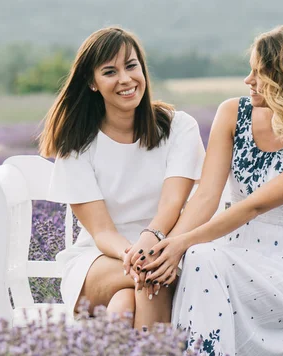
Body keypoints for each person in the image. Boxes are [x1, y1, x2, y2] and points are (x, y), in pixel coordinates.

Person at [141, 25, 283, 356]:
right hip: (231, 250)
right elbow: (206, 196)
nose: (248, 80)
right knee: (200, 259)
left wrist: (181, 245)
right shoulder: (232, 113)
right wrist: (167, 247)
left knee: (201, 258)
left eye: (260, 74)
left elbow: (255, 204)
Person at [40, 26, 205, 330]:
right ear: (92, 82)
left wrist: (150, 242)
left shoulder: (178, 128)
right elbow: (101, 232)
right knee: (149, 275)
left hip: (164, 252)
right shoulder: (76, 144)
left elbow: (172, 203)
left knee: (123, 305)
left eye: (131, 66)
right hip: (98, 261)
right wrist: (135, 255)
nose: (126, 79)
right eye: (110, 72)